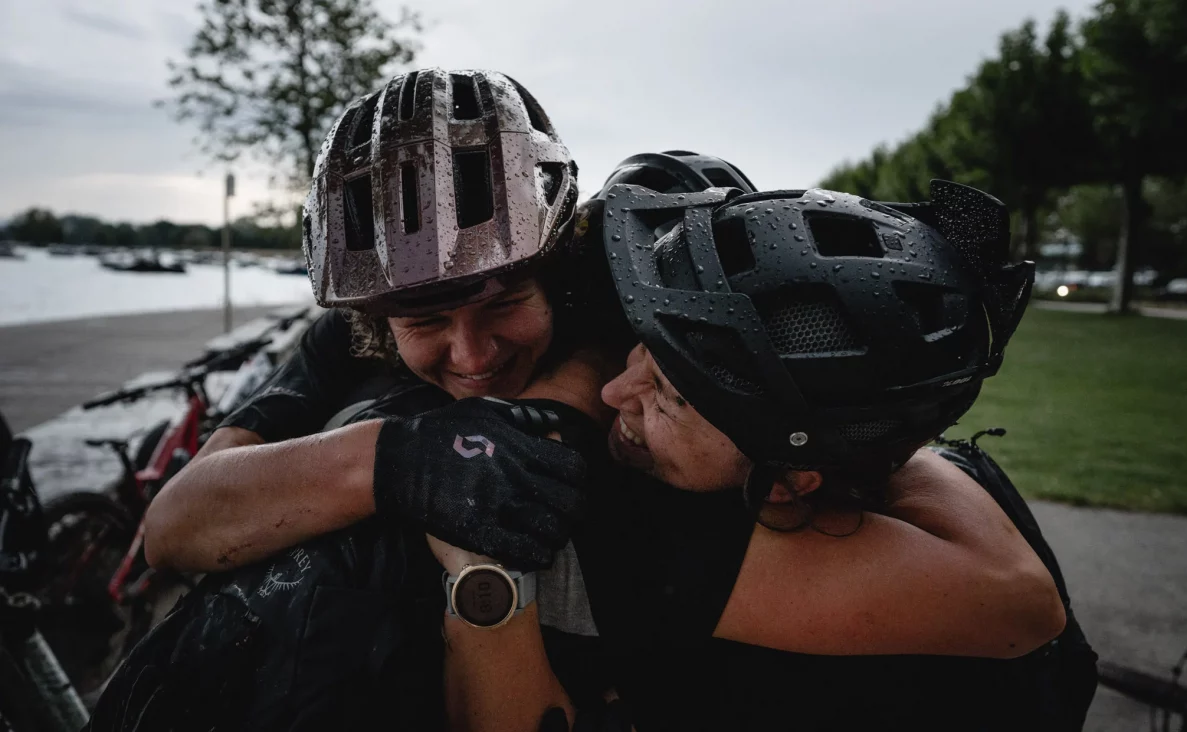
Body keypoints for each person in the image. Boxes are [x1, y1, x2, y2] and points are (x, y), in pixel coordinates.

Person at [132, 69, 1064, 729]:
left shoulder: (658, 416)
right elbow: (178, 522)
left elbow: (1014, 605)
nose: (468, 352)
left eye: (503, 302)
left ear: (565, 275)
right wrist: (395, 460)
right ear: (376, 316)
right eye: (422, 322)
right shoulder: (359, 339)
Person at [429, 182, 1079, 731]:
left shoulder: (723, 578)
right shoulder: (917, 476)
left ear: (791, 481)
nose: (613, 392)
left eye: (670, 397)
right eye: (642, 350)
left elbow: (1019, 601)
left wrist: (477, 561)